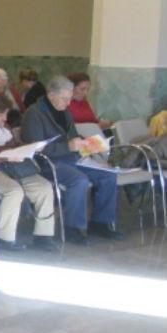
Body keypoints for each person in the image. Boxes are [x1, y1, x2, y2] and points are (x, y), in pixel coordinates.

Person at [21, 76, 123, 244]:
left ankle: (100, 222)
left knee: (108, 175)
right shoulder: (34, 114)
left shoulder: (65, 111)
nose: (68, 103)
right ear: (51, 95)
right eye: (65, 98)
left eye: (69, 98)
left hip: (71, 158)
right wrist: (68, 147)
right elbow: (34, 149)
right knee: (79, 180)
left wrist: (89, 152)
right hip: (47, 163)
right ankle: (72, 228)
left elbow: (73, 137)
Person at [0, 93, 58, 252]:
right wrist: (5, 157)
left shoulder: (4, 128)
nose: (5, 118)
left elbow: (14, 146)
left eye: (6, 113)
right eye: (1, 114)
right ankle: (5, 237)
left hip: (12, 168)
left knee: (44, 187)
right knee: (13, 191)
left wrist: (31, 147)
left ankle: (43, 236)